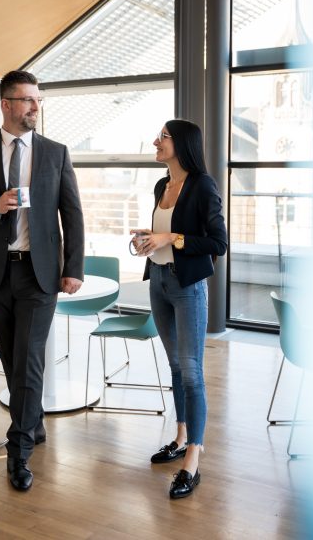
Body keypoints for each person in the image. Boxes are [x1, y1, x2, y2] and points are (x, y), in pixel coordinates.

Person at [0, 70, 84, 491]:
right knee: (12, 357)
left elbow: (72, 214)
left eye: (37, 100)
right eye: (26, 100)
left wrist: (73, 268)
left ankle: (19, 452)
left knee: (28, 359)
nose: (35, 107)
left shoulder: (55, 153)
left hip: (39, 274)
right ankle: (33, 422)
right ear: (5, 104)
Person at [130, 119, 227, 499]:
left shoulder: (203, 186)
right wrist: (149, 240)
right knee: (175, 366)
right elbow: (165, 236)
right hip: (159, 282)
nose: (155, 141)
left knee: (191, 371)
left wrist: (171, 237)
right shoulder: (161, 185)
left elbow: (217, 243)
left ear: (182, 143)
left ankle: (193, 458)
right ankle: (181, 436)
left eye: (163, 137)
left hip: (188, 287)